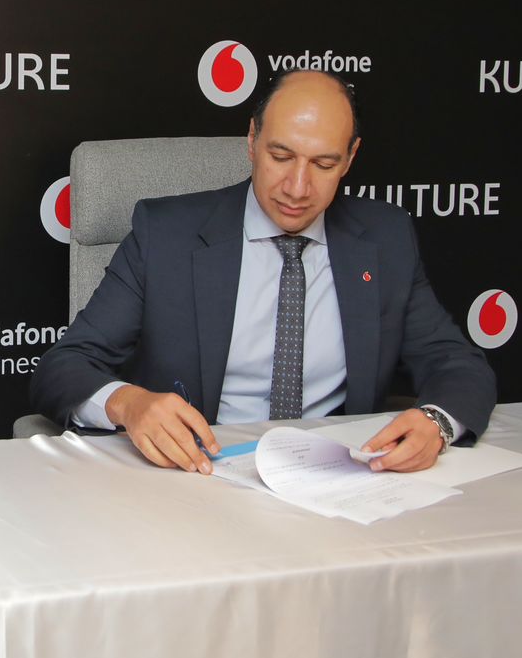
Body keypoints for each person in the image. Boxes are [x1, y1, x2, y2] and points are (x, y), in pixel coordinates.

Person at [30, 70, 496, 475]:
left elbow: (455, 363)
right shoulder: (166, 236)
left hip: (334, 484)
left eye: (324, 164)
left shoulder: (385, 239)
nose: (297, 187)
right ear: (252, 140)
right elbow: (64, 366)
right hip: (198, 477)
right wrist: (129, 404)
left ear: (351, 158)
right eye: (281, 156)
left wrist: (436, 423)